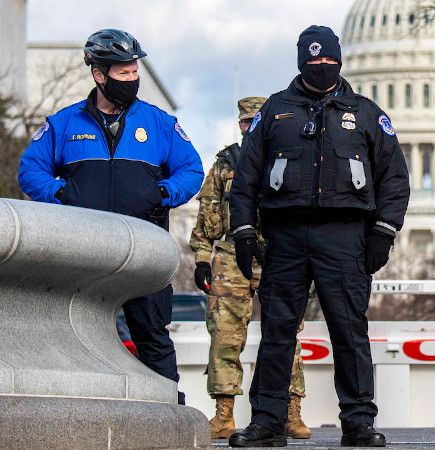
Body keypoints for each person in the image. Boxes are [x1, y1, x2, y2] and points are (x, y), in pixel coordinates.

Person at [227, 25, 410, 448]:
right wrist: (243, 232)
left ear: (339, 61)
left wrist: (384, 231)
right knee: (276, 332)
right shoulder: (274, 111)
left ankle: (359, 421)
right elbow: (246, 178)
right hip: (285, 235)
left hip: (345, 236)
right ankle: (268, 421)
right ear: (300, 63)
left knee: (349, 332)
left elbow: (394, 178)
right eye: (313, 62)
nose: (321, 67)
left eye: (328, 61)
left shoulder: (365, 112)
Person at [18, 29, 203, 404]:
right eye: (123, 72)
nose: (132, 79)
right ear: (99, 74)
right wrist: (62, 194)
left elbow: (192, 170)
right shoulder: (63, 123)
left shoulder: (160, 123)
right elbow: (30, 170)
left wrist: (164, 193)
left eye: (135, 71)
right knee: (74, 335)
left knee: (152, 335)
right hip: (84, 253)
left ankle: (167, 411)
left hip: (144, 250)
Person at [189, 97, 311, 440]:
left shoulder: (293, 157)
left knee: (286, 336)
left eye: (254, 121)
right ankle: (223, 414)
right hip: (231, 255)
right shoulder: (226, 163)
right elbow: (207, 216)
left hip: (279, 252)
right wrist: (201, 257)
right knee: (225, 336)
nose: (248, 127)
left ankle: (291, 413)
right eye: (244, 122)